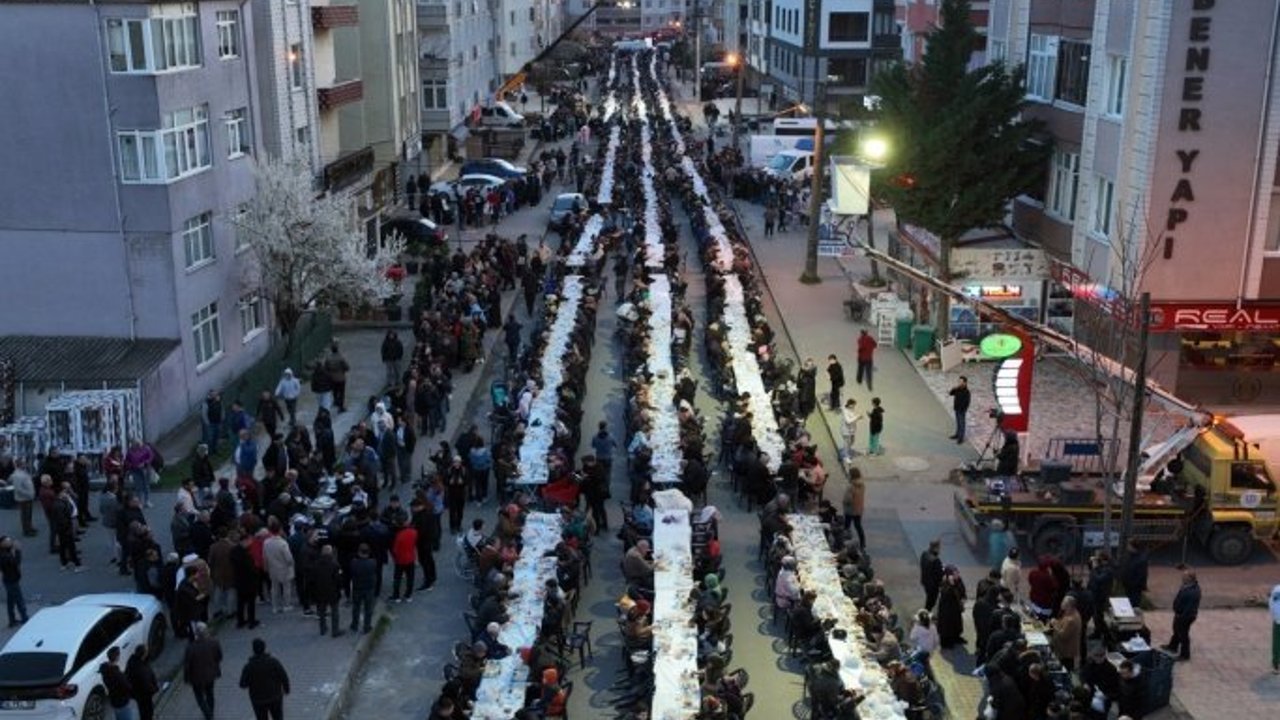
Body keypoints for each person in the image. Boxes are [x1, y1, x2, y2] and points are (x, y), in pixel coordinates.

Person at [240, 638, 290, 720]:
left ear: (253, 650)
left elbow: (242, 684)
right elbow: (283, 676)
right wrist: (286, 689)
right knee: (278, 717)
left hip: (258, 700)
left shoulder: (249, 666)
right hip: (275, 697)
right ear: (264, 648)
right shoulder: (273, 662)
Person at [184, 622, 223, 720]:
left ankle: (208, 715)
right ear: (206, 631)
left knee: (199, 697)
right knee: (210, 693)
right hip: (211, 674)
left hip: (196, 678)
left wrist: (187, 678)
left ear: (196, 633)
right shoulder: (214, 642)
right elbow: (219, 657)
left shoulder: (191, 648)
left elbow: (187, 665)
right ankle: (211, 712)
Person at [1162, 567, 1201, 661]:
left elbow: (1190, 607)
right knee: (1176, 630)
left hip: (1186, 616)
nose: (1182, 578)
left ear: (1190, 578)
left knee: (1183, 634)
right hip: (1180, 614)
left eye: (1184, 576)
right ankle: (1173, 646)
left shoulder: (1194, 591)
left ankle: (1185, 655)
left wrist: (1182, 616)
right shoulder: (1186, 586)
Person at [309, 545, 343, 637]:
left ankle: (323, 629)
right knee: (335, 611)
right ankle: (335, 630)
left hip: (319, 592)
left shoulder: (315, 564)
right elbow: (339, 580)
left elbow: (312, 580)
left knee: (322, 612)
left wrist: (313, 592)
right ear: (331, 552)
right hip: (333, 592)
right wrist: (339, 589)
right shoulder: (335, 564)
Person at [1049, 596, 1083, 672]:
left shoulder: (1071, 620)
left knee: (1064, 669)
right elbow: (1062, 624)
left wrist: (1054, 624)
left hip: (1066, 651)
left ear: (1069, 606)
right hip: (1062, 649)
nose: (1061, 604)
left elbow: (1063, 635)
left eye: (1063, 603)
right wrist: (1057, 622)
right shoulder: (1069, 612)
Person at [100, 646, 136, 720]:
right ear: (117, 657)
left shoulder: (105, 670)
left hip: (114, 701)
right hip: (122, 703)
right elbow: (128, 687)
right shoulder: (117, 674)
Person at [0, 537, 29, 627]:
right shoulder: (4, 555)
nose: (10, 542)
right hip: (12, 581)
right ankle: (25, 618)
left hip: (8, 580)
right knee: (19, 600)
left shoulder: (5, 552)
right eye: (7, 541)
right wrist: (18, 550)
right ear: (2, 544)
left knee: (11, 601)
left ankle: (12, 620)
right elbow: (16, 562)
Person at [125, 645, 159, 720]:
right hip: (144, 694)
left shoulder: (131, 662)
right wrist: (155, 689)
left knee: (142, 709)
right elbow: (147, 685)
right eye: (146, 652)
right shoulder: (141, 670)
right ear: (143, 655)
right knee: (147, 711)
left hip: (137, 694)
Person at [9, 460, 37, 536]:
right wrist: (29, 494)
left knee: (29, 514)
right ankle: (26, 531)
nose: (26, 464)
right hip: (24, 498)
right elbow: (18, 489)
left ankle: (30, 527)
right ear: (20, 465)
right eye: (24, 463)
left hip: (28, 497)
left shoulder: (24, 472)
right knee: (25, 515)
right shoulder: (17, 475)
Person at [842, 469, 867, 549]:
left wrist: (844, 501)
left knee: (847, 526)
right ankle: (863, 542)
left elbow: (847, 499)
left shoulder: (851, 486)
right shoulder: (862, 485)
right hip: (858, 509)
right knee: (858, 526)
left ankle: (844, 542)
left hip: (850, 509)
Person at [324, 342, 351, 413]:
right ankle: (341, 407)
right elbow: (347, 367)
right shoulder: (341, 358)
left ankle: (336, 400)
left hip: (332, 378)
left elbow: (325, 367)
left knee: (334, 391)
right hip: (341, 377)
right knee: (341, 392)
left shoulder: (328, 358)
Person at [1122, 541, 1149, 609]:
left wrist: (1134, 583)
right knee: (1129, 604)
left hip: (1135, 587)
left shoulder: (1141, 559)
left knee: (1134, 604)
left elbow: (1141, 574)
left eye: (1129, 546)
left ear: (1133, 547)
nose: (1127, 548)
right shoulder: (1129, 556)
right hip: (1128, 585)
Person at [919, 539, 943, 612]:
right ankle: (925, 614)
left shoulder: (924, 554)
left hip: (925, 582)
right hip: (933, 586)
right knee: (931, 602)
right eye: (939, 548)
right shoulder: (936, 560)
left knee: (929, 599)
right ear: (936, 548)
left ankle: (926, 612)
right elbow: (939, 575)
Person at [948, 376, 971, 443]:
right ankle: (957, 434)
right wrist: (953, 388)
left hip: (962, 410)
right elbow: (951, 393)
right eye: (959, 381)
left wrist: (964, 409)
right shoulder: (957, 389)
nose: (959, 382)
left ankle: (961, 438)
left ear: (965, 383)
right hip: (956, 408)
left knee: (962, 424)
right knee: (958, 422)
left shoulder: (967, 392)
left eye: (961, 381)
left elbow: (967, 402)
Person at [1269, 583, 1280, 674]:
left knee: (1277, 643)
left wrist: (1275, 617)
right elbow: (1273, 604)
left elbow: (1271, 604)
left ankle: (1276, 665)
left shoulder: (1276, 589)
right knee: (1277, 643)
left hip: (1277, 620)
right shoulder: (1277, 590)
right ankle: (1276, 664)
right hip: (1278, 620)